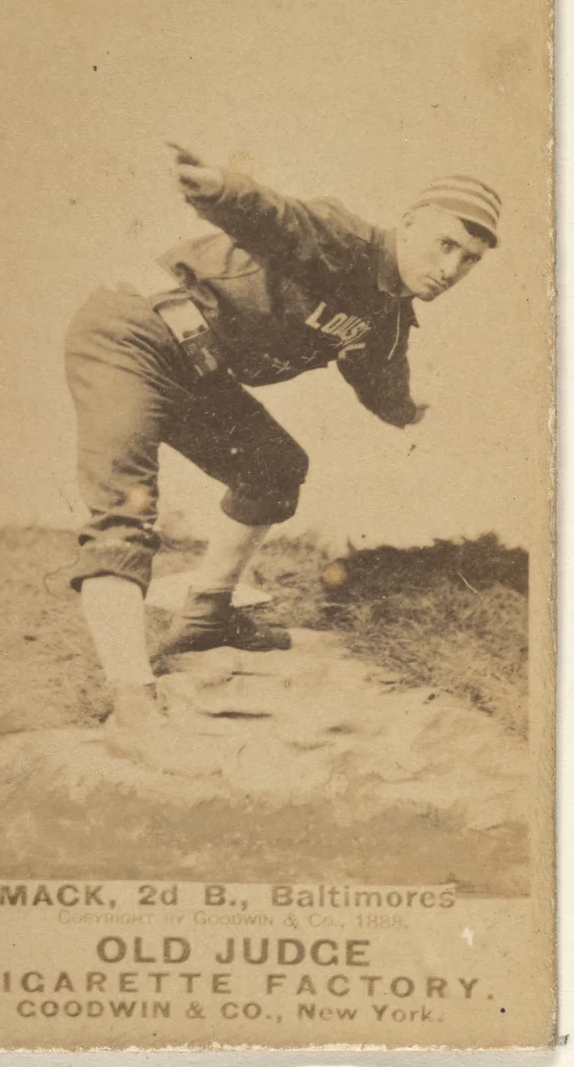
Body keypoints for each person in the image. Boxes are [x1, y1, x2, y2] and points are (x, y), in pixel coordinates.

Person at [65, 147, 501, 755]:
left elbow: (380, 378)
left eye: (470, 260)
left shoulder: (391, 317)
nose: (452, 267)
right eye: (445, 244)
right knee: (124, 513)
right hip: (134, 332)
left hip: (197, 364)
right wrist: (218, 188)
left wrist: (408, 413)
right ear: (409, 223)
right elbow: (276, 217)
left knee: (273, 467)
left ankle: (206, 614)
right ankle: (132, 695)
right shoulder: (345, 240)